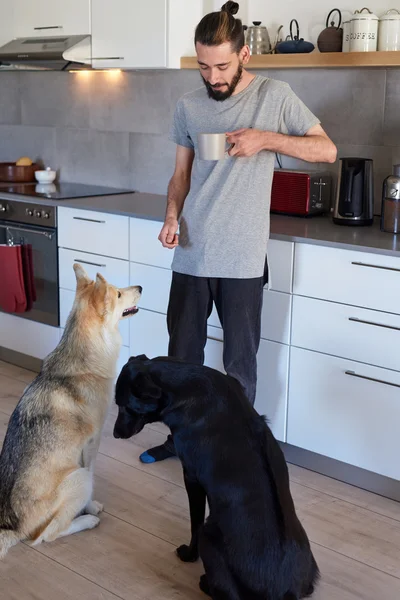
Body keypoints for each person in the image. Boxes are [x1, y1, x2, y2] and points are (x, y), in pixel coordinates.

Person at [139, 1, 337, 464]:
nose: (212, 77)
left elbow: (326, 150)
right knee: (181, 361)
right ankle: (180, 439)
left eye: (222, 66)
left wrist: (264, 138)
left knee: (238, 366)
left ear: (245, 54)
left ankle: (237, 451)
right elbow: (180, 177)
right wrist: (171, 215)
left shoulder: (275, 95)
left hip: (243, 258)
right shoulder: (188, 106)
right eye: (203, 66)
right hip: (191, 252)